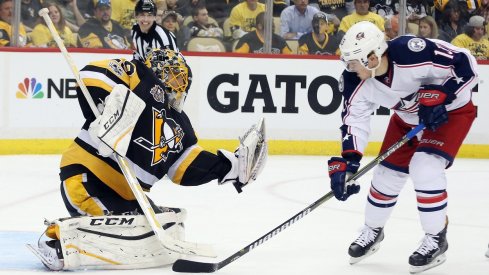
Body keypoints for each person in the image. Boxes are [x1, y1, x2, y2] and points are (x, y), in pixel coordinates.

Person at [27, 48, 267, 271]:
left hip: (131, 195)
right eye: (174, 74)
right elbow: (91, 75)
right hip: (86, 177)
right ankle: (55, 244)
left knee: (159, 225)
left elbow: (184, 165)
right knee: (115, 226)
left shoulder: (179, 123)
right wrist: (104, 107)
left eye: (180, 76)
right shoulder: (137, 74)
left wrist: (230, 168)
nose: (178, 81)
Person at [329, 21, 477, 273]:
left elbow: (465, 63)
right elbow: (354, 119)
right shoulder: (356, 81)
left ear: (373, 57)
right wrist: (349, 161)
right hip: (408, 118)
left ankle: (436, 237)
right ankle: (373, 230)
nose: (348, 68)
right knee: (386, 174)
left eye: (353, 62)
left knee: (425, 167)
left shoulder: (411, 51)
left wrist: (444, 93)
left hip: (450, 113)